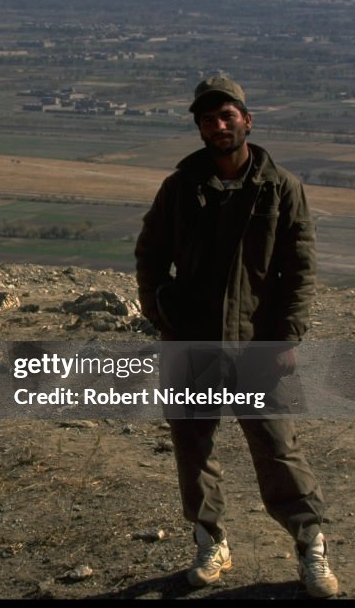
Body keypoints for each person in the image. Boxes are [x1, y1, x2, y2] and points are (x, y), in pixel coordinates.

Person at [134, 77, 338, 598]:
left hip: (256, 341)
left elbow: (300, 268)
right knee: (192, 446)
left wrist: (287, 336)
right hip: (190, 340)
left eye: (226, 116)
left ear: (247, 120)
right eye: (207, 119)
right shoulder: (180, 188)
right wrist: (159, 308)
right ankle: (210, 541)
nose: (217, 126)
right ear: (200, 128)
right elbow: (150, 251)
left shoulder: (280, 187)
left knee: (276, 445)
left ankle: (310, 544)